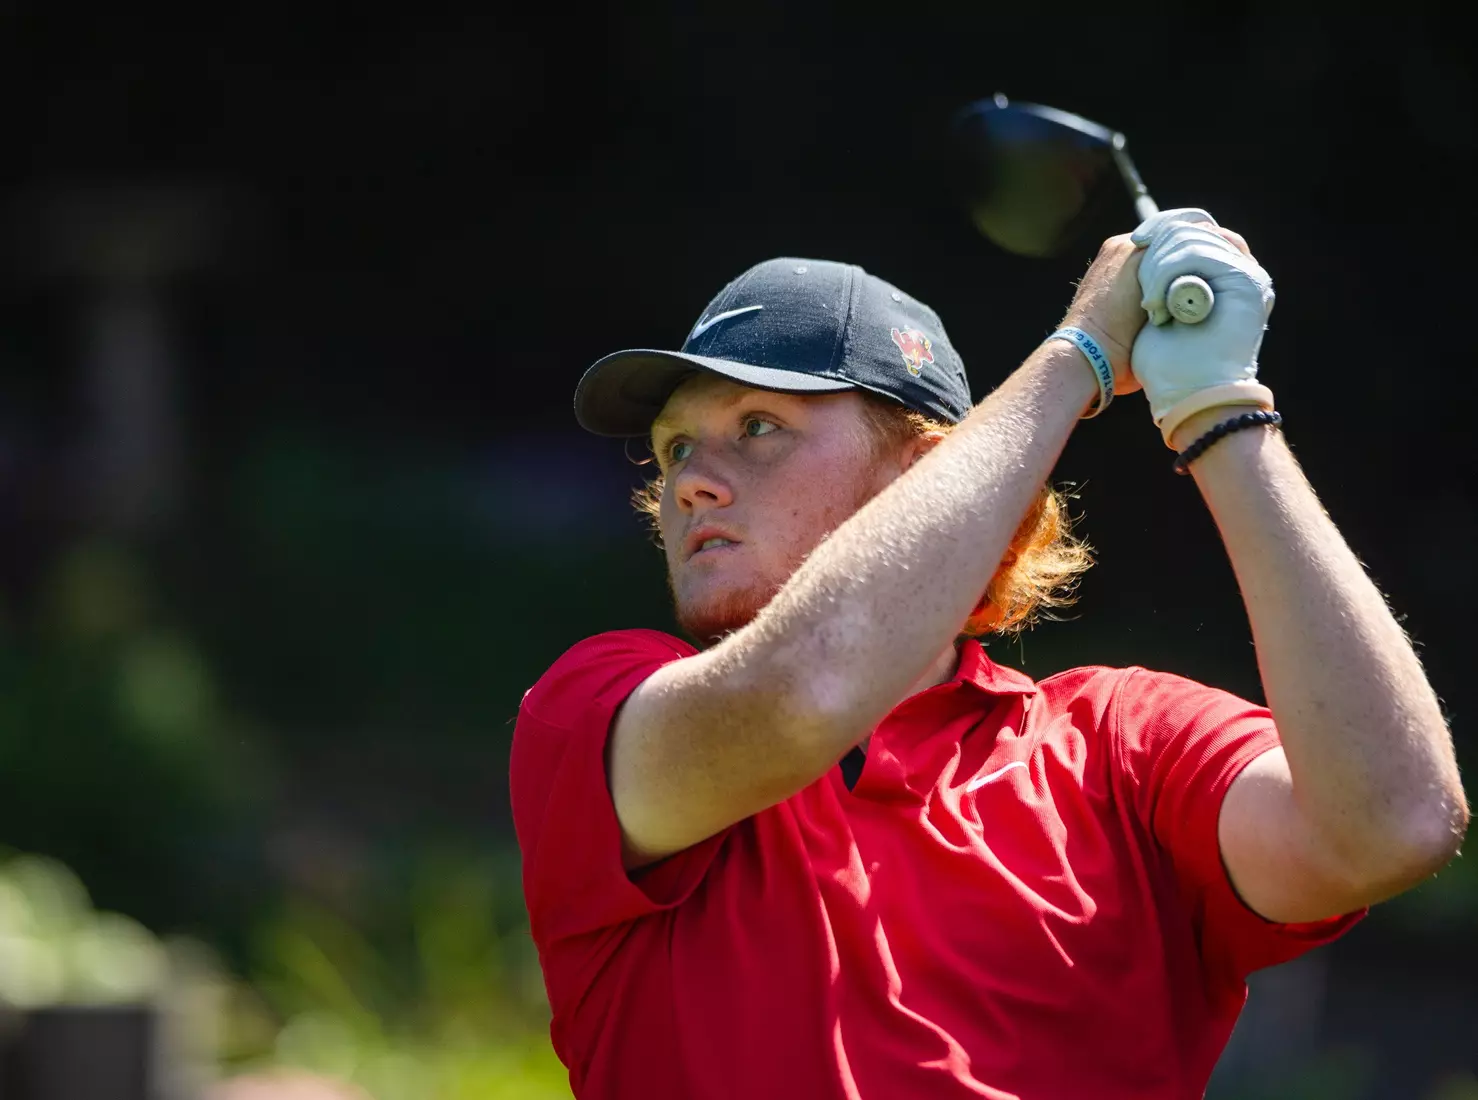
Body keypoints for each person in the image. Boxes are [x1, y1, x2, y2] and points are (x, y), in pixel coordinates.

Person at [509, 210, 1469, 1099]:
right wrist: (1079, 354)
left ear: (929, 473)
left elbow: (1395, 823)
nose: (691, 485)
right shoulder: (597, 703)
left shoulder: (1119, 750)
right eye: (676, 449)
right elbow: (806, 689)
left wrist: (1222, 413)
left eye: (757, 427)